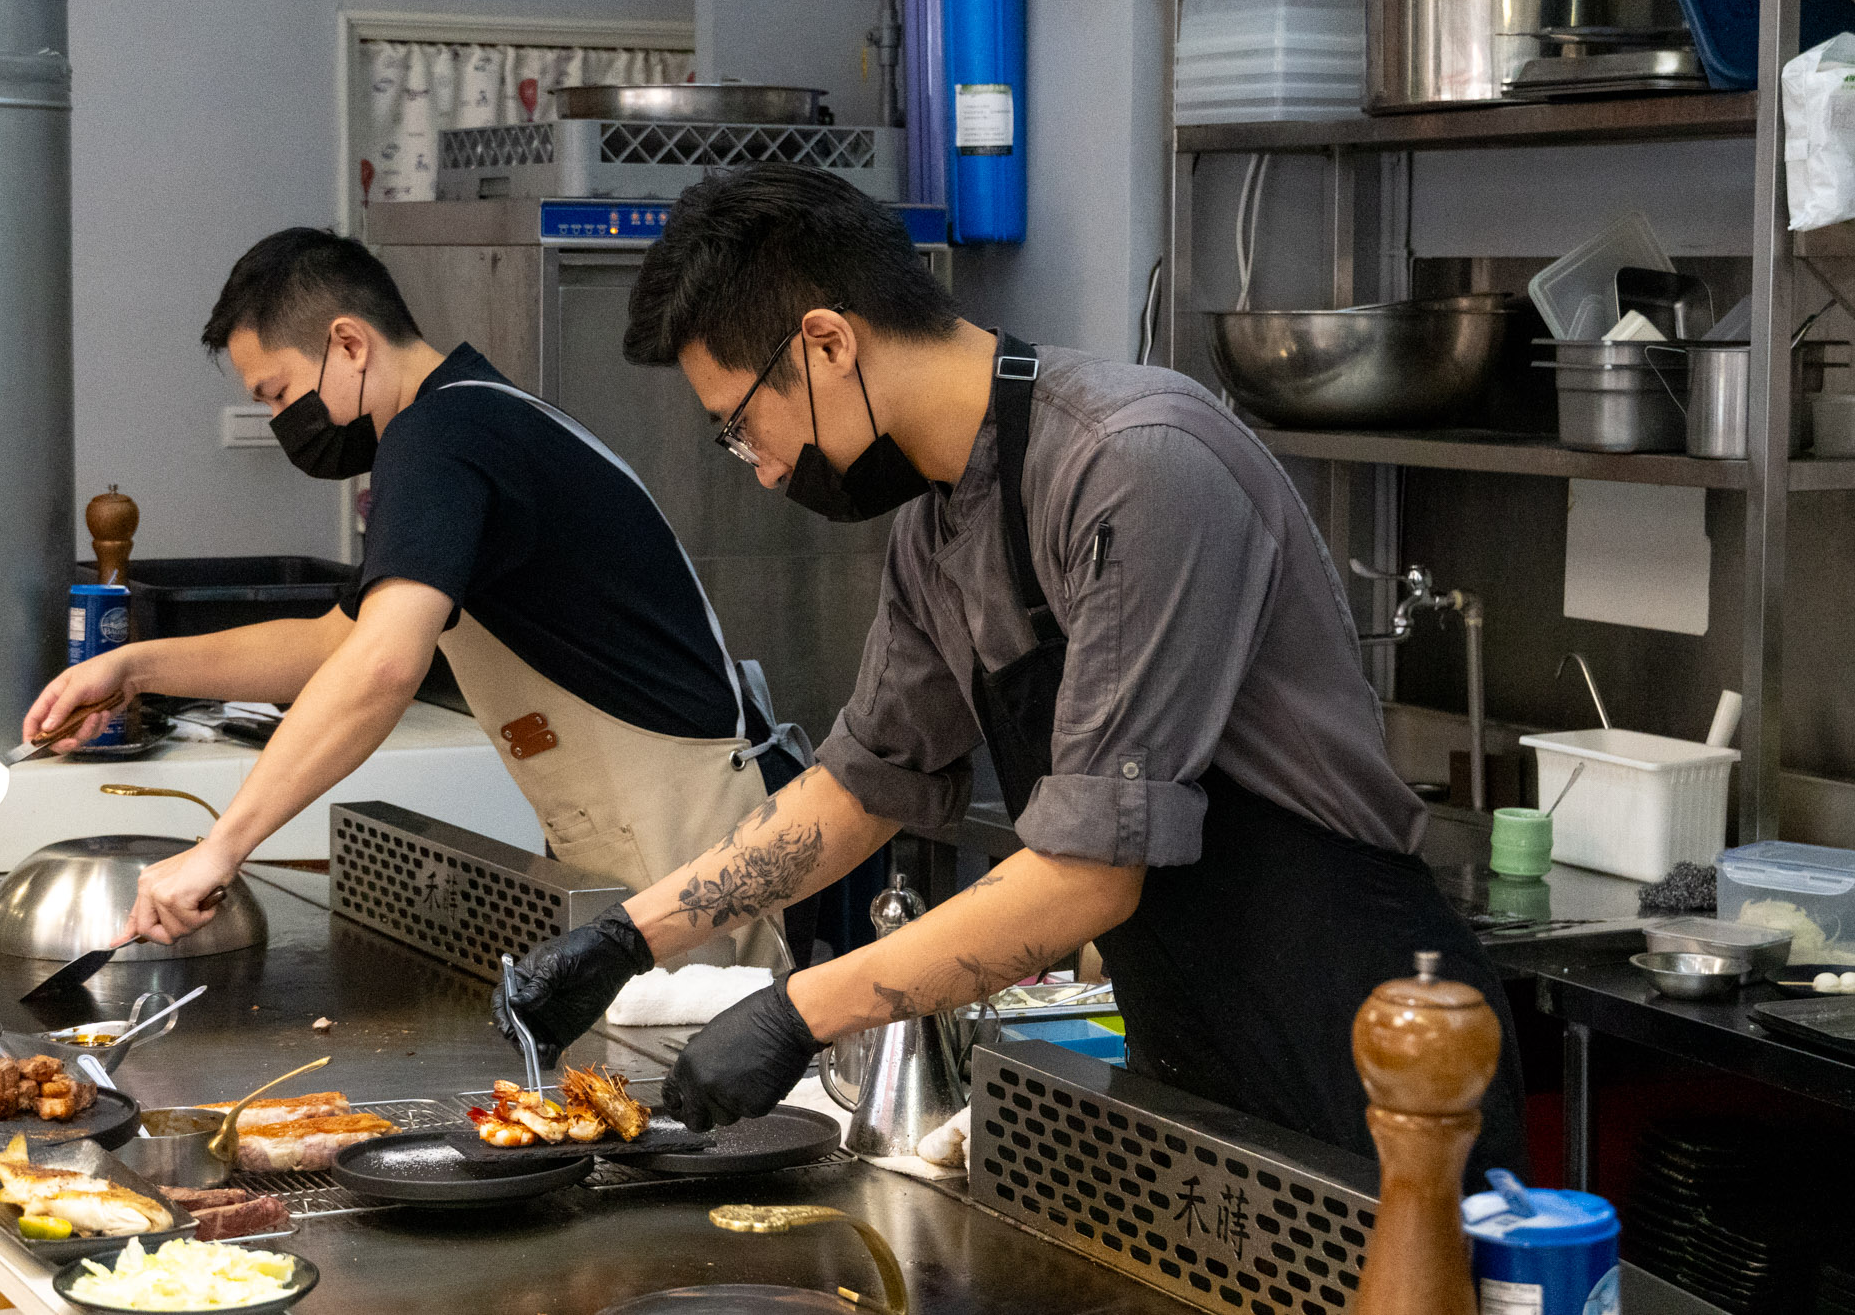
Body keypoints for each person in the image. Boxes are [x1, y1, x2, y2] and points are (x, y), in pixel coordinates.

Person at [497, 165, 1527, 1186]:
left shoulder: (1132, 464)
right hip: (1195, 1040)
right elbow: (863, 787)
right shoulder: (944, 519)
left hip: (1374, 1048)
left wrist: (797, 1010)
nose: (761, 467)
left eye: (739, 425)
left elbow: (1088, 871)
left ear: (824, 343)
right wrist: (628, 939)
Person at [24, 227, 805, 968]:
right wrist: (135, 667)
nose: (278, 421)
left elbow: (383, 667)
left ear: (350, 343)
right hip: (654, 829)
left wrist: (222, 846)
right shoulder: (465, 418)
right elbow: (340, 641)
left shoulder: (438, 436)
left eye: (278, 393)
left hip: (689, 830)